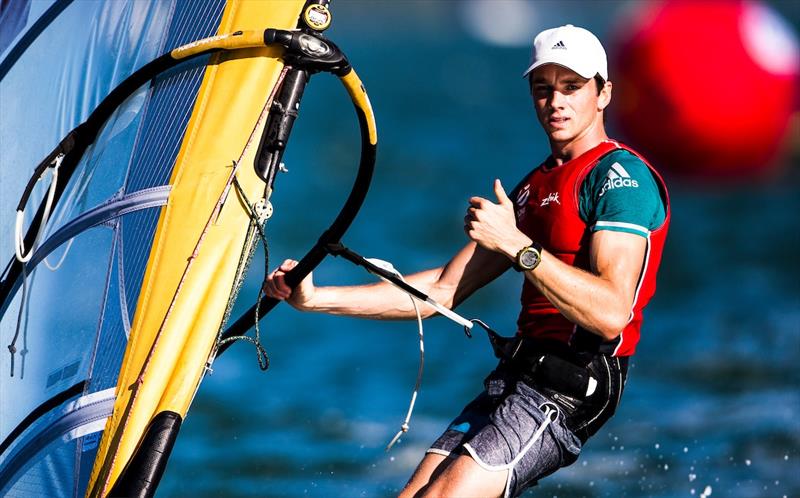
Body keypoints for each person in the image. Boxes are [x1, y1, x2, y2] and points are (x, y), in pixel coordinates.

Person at [264, 24, 669, 498]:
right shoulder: (531, 190)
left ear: (603, 94)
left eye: (572, 87)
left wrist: (518, 248)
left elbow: (611, 313)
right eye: (544, 88)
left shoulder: (621, 179)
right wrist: (315, 298)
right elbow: (440, 289)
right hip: (518, 376)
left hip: (572, 387)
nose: (556, 102)